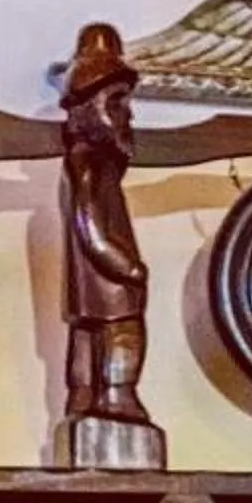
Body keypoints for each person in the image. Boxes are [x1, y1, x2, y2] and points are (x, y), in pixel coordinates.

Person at [58, 23, 159, 454]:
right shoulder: (90, 166)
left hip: (93, 287)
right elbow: (91, 224)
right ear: (84, 108)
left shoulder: (93, 164)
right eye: (116, 103)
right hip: (111, 283)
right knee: (123, 333)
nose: (127, 114)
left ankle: (84, 397)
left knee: (84, 338)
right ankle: (117, 394)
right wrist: (126, 265)